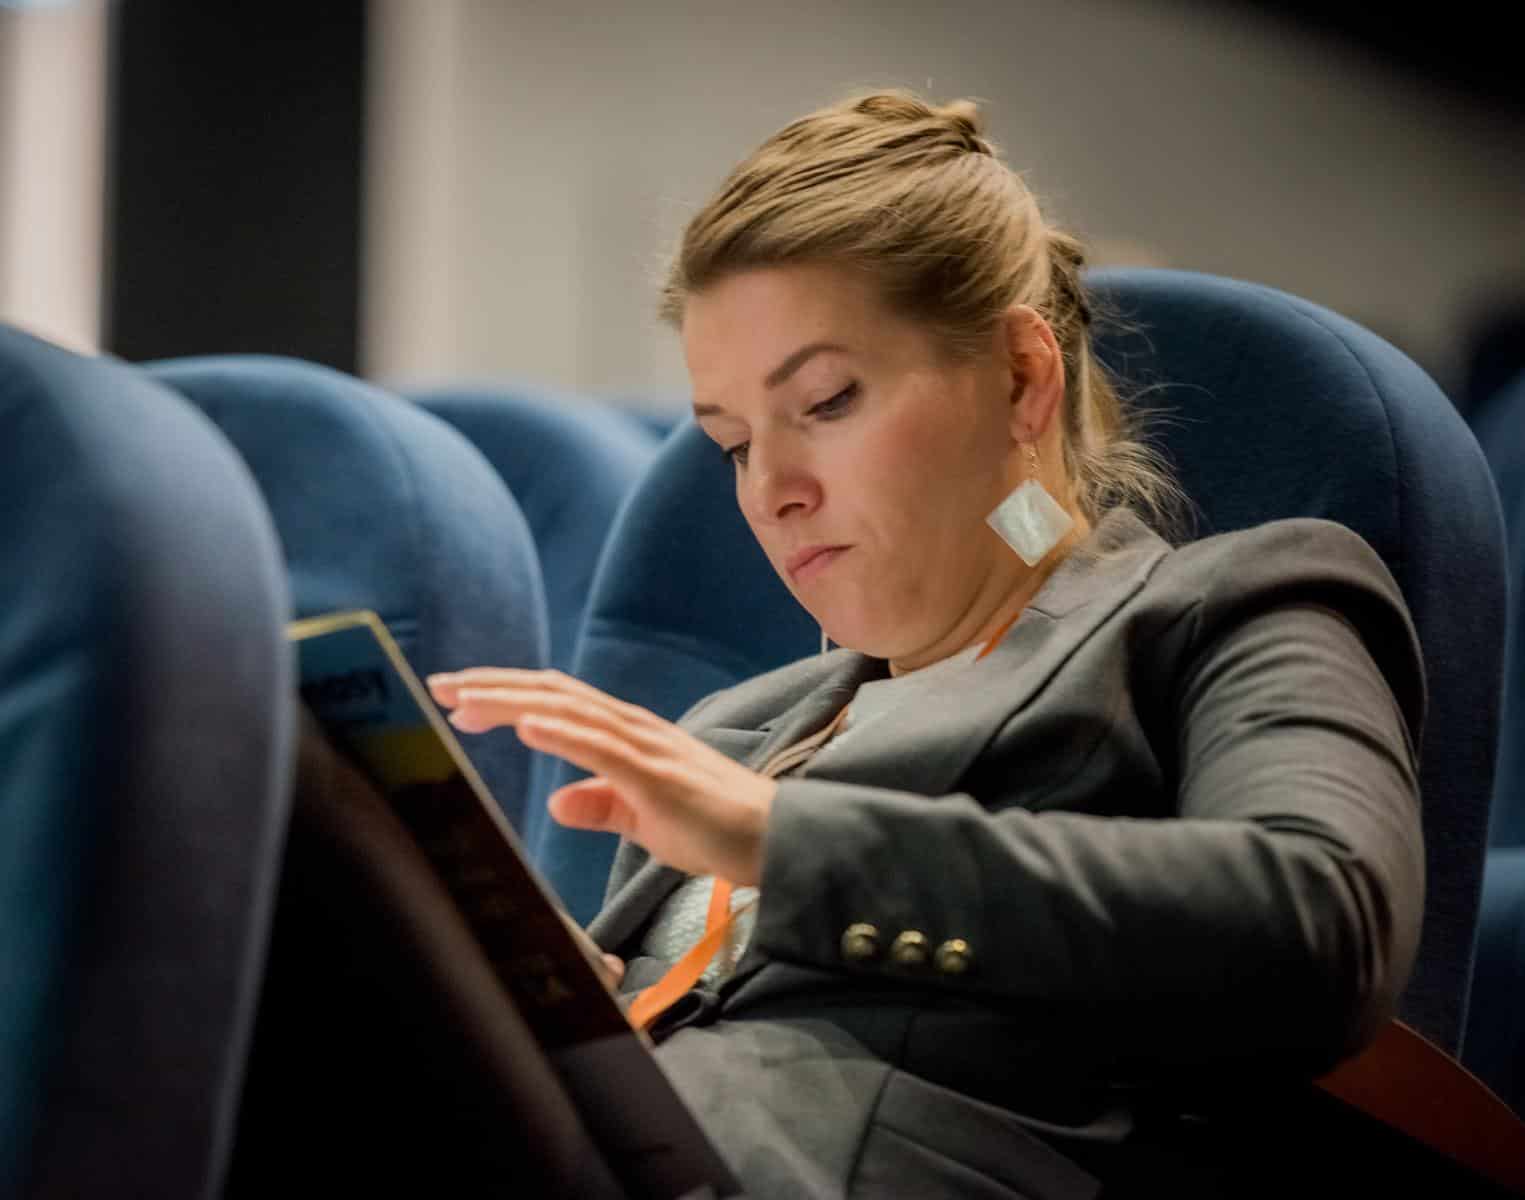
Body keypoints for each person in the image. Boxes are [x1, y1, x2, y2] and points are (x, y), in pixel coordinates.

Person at [423, 91, 1427, 1198]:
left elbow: (1319, 928)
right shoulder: (734, 728)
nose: (770, 490)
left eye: (827, 401)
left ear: (1021, 379)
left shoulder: (1225, 605)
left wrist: (780, 842)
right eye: (733, 444)